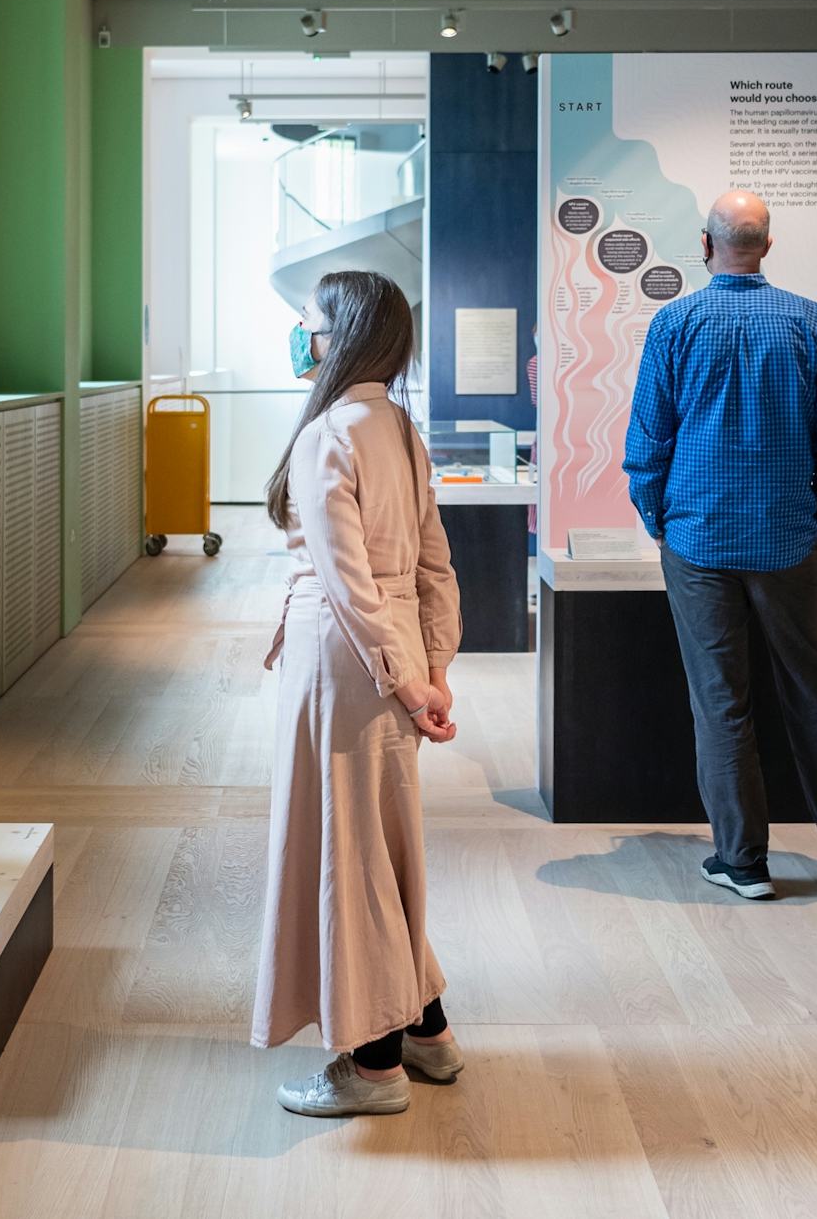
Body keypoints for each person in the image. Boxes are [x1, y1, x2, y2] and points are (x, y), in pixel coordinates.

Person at [623, 189, 817, 900]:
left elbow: (647, 444)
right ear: (767, 246)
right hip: (788, 541)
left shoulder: (675, 322)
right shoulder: (808, 321)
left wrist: (661, 520)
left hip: (698, 540)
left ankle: (743, 863)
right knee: (816, 691)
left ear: (706, 246)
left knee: (721, 702)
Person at [254, 270, 465, 1116]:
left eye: (307, 323)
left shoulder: (327, 435)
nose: (301, 336)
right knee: (383, 847)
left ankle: (373, 1067)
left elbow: (346, 587)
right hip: (396, 657)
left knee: (350, 854)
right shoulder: (401, 429)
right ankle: (428, 1034)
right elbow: (434, 565)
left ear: (336, 336)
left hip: (342, 667)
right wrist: (433, 670)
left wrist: (410, 685)